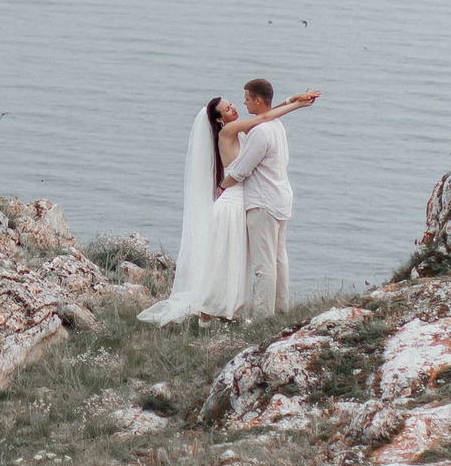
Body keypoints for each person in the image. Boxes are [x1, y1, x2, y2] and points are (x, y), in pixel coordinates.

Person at [134, 96, 252, 325]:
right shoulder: (229, 132)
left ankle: (228, 309)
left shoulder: (238, 132)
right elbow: (265, 117)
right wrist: (293, 102)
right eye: (228, 109)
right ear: (219, 120)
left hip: (239, 203)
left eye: (232, 104)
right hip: (232, 205)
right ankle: (210, 310)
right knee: (225, 259)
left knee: (234, 258)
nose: (234, 108)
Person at [219, 77, 317, 317]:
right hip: (281, 199)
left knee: (264, 265)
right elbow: (267, 115)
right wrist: (293, 101)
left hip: (263, 202)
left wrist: (221, 187)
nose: (244, 104)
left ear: (258, 100)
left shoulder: (261, 132)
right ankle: (281, 309)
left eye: (247, 99)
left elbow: (241, 171)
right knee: (279, 259)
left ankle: (264, 316)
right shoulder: (275, 125)